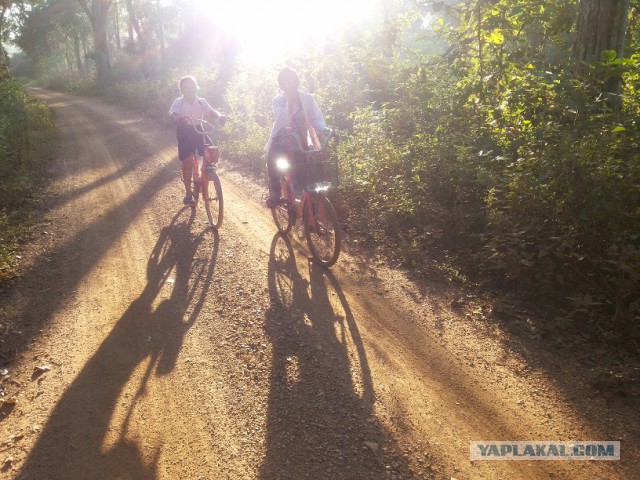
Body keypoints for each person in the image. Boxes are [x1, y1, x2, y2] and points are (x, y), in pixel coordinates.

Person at [265, 67, 327, 208]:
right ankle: (276, 192)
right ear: (281, 84)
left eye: (293, 78)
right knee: (272, 159)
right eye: (286, 80)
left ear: (298, 80)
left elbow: (316, 118)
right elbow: (282, 119)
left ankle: (309, 212)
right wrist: (291, 100)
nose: (291, 81)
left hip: (301, 141)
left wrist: (325, 129)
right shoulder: (278, 100)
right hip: (281, 141)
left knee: (306, 176)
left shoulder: (307, 99)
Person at [169, 75, 226, 205]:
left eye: (193, 86)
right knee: (187, 161)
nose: (190, 89)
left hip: (198, 130)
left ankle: (207, 171)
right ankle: (189, 193)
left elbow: (211, 112)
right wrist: (177, 119)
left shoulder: (201, 101)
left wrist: (220, 116)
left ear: (196, 87)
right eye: (186, 87)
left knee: (211, 152)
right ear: (182, 90)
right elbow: (173, 114)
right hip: (184, 131)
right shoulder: (179, 102)